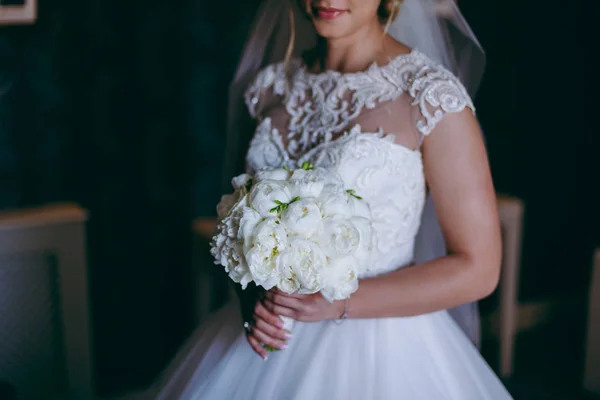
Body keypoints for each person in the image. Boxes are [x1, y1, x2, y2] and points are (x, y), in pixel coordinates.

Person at [149, 0, 512, 398]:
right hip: (266, 344)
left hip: (384, 348)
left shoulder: (431, 97)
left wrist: (339, 304)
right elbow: (238, 223)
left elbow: (479, 268)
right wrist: (249, 295)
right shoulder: (269, 88)